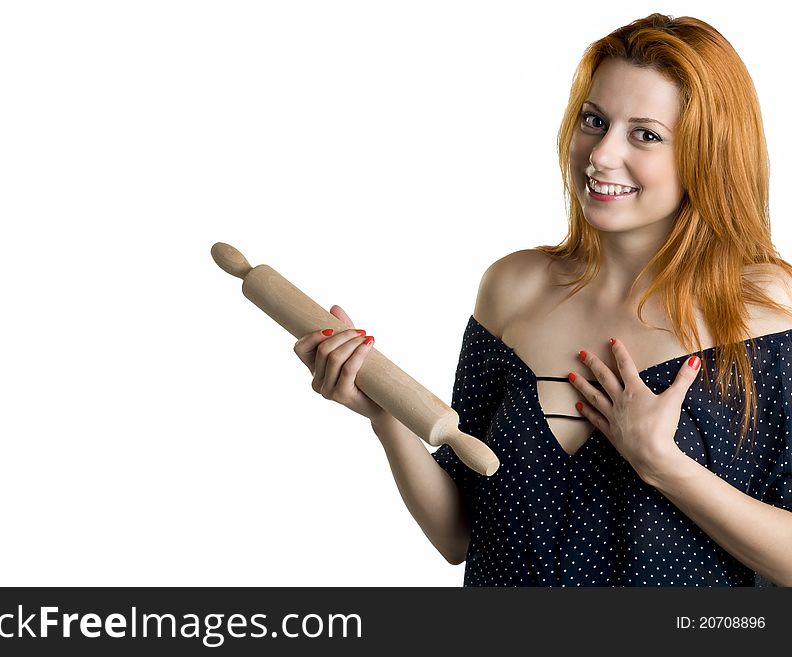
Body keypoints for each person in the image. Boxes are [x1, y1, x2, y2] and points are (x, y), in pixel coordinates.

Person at [292, 13, 792, 586]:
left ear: (710, 152)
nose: (601, 155)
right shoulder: (511, 289)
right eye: (594, 120)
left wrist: (664, 465)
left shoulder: (768, 312)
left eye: (646, 134)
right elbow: (460, 535)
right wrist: (387, 415)